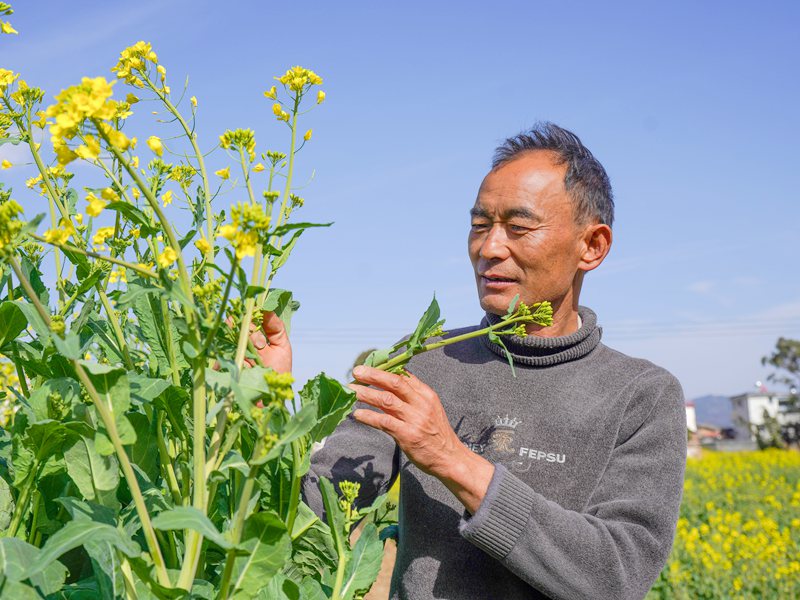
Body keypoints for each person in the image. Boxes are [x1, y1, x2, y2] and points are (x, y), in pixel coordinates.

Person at [254, 122, 687, 600]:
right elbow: (310, 509)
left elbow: (616, 575)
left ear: (592, 246)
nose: (489, 248)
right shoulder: (423, 359)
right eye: (480, 225)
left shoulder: (641, 395)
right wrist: (265, 408)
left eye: (519, 227)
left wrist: (452, 459)